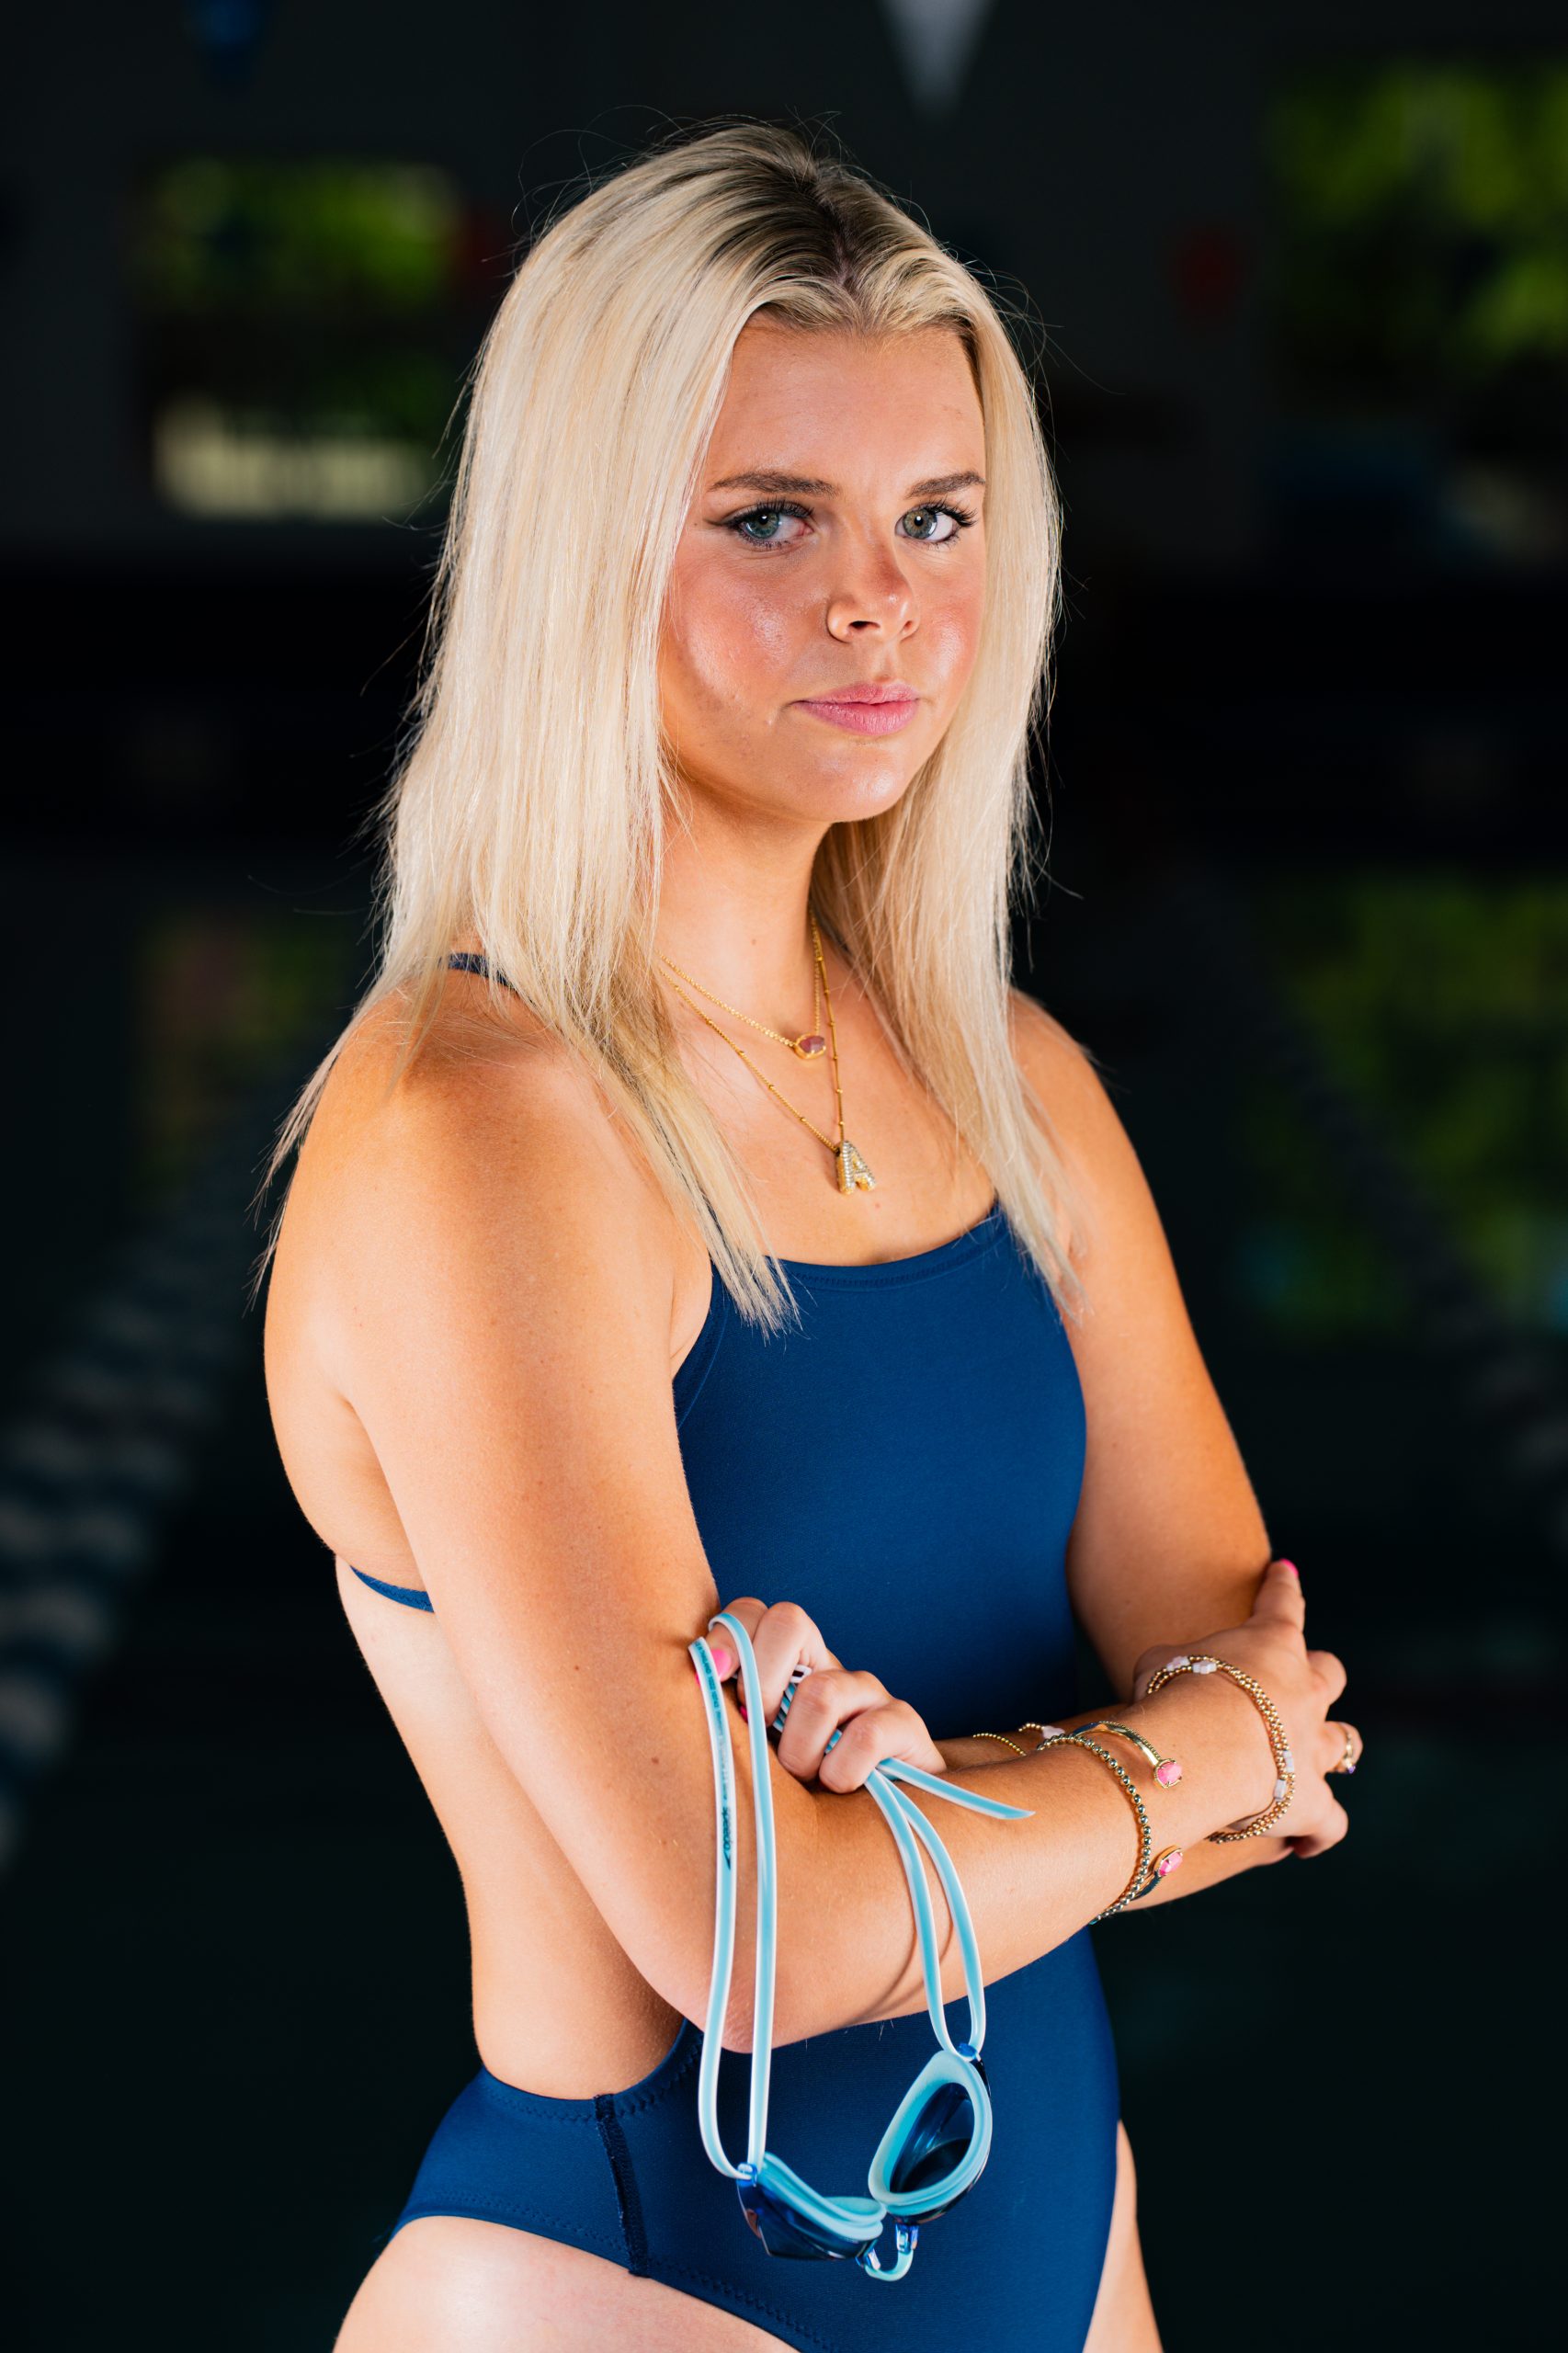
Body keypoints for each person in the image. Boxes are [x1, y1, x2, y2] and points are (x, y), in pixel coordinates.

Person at [259, 119, 1358, 2353]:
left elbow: (1291, 1751)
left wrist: (932, 1824)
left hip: (1064, 2239)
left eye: (936, 516)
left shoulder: (1009, 1082)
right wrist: (1150, 1766)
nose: (882, 601)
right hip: (630, 2281)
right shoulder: (480, 1136)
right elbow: (754, 1943)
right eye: (771, 517)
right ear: (579, 553)